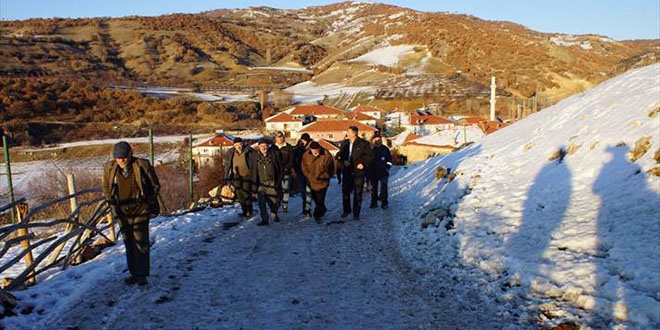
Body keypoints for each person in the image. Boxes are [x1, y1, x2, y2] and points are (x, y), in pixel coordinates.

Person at [102, 141, 160, 286]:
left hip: (140, 209)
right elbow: (106, 186)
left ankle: (142, 274)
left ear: (130, 154)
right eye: (118, 158)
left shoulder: (142, 165)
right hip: (122, 211)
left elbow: (155, 185)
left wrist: (147, 203)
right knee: (129, 243)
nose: (122, 160)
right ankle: (133, 272)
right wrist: (111, 202)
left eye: (124, 157)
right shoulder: (110, 168)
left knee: (141, 242)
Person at [337, 126, 373, 220]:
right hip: (347, 171)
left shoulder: (363, 144)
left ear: (354, 133)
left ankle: (356, 213)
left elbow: (369, 156)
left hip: (358, 172)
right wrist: (343, 161)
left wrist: (363, 163)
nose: (347, 134)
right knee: (345, 191)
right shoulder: (345, 143)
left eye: (348, 132)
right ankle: (346, 210)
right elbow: (339, 155)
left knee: (358, 193)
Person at [251, 138, 283, 226]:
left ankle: (274, 212)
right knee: (261, 202)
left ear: (268, 146)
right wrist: (254, 185)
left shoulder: (274, 154)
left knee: (274, 201)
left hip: (272, 182)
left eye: (265, 146)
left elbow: (280, 169)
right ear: (258, 146)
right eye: (262, 146)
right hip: (261, 183)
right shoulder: (254, 156)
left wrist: (278, 181)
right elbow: (253, 171)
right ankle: (264, 219)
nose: (264, 148)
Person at [301, 141, 335, 223]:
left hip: (323, 182)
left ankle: (317, 215)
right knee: (316, 199)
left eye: (316, 149)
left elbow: (331, 167)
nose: (315, 151)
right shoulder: (306, 155)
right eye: (313, 150)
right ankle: (322, 209)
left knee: (320, 199)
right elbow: (303, 167)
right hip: (312, 182)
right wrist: (309, 176)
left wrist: (326, 176)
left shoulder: (326, 154)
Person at [224, 137, 256, 217]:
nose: (239, 146)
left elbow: (254, 162)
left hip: (246, 175)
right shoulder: (231, 152)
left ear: (243, 144)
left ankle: (249, 210)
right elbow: (228, 164)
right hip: (236, 176)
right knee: (239, 194)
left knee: (246, 193)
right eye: (236, 145)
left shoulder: (248, 151)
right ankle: (244, 210)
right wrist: (227, 175)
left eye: (240, 144)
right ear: (234, 145)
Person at [368, 131, 392, 209]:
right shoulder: (370, 150)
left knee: (384, 188)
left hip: (383, 172)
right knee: (373, 188)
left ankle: (384, 202)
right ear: (373, 140)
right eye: (376, 139)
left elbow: (389, 160)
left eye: (379, 139)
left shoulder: (385, 149)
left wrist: (387, 167)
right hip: (373, 172)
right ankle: (374, 202)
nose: (378, 141)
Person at [293, 133, 313, 218]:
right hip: (300, 173)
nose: (303, 142)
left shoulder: (312, 148)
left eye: (304, 140)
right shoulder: (298, 149)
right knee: (303, 192)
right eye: (302, 140)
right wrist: (294, 171)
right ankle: (305, 208)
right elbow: (294, 160)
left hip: (310, 173)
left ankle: (307, 209)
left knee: (309, 192)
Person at [274, 131, 295, 213]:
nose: (280, 138)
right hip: (276, 173)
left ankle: (285, 205)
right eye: (278, 136)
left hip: (286, 172)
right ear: (275, 138)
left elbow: (291, 160)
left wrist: (287, 168)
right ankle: (277, 203)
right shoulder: (273, 147)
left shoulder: (289, 147)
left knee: (285, 189)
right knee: (276, 189)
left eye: (281, 136)